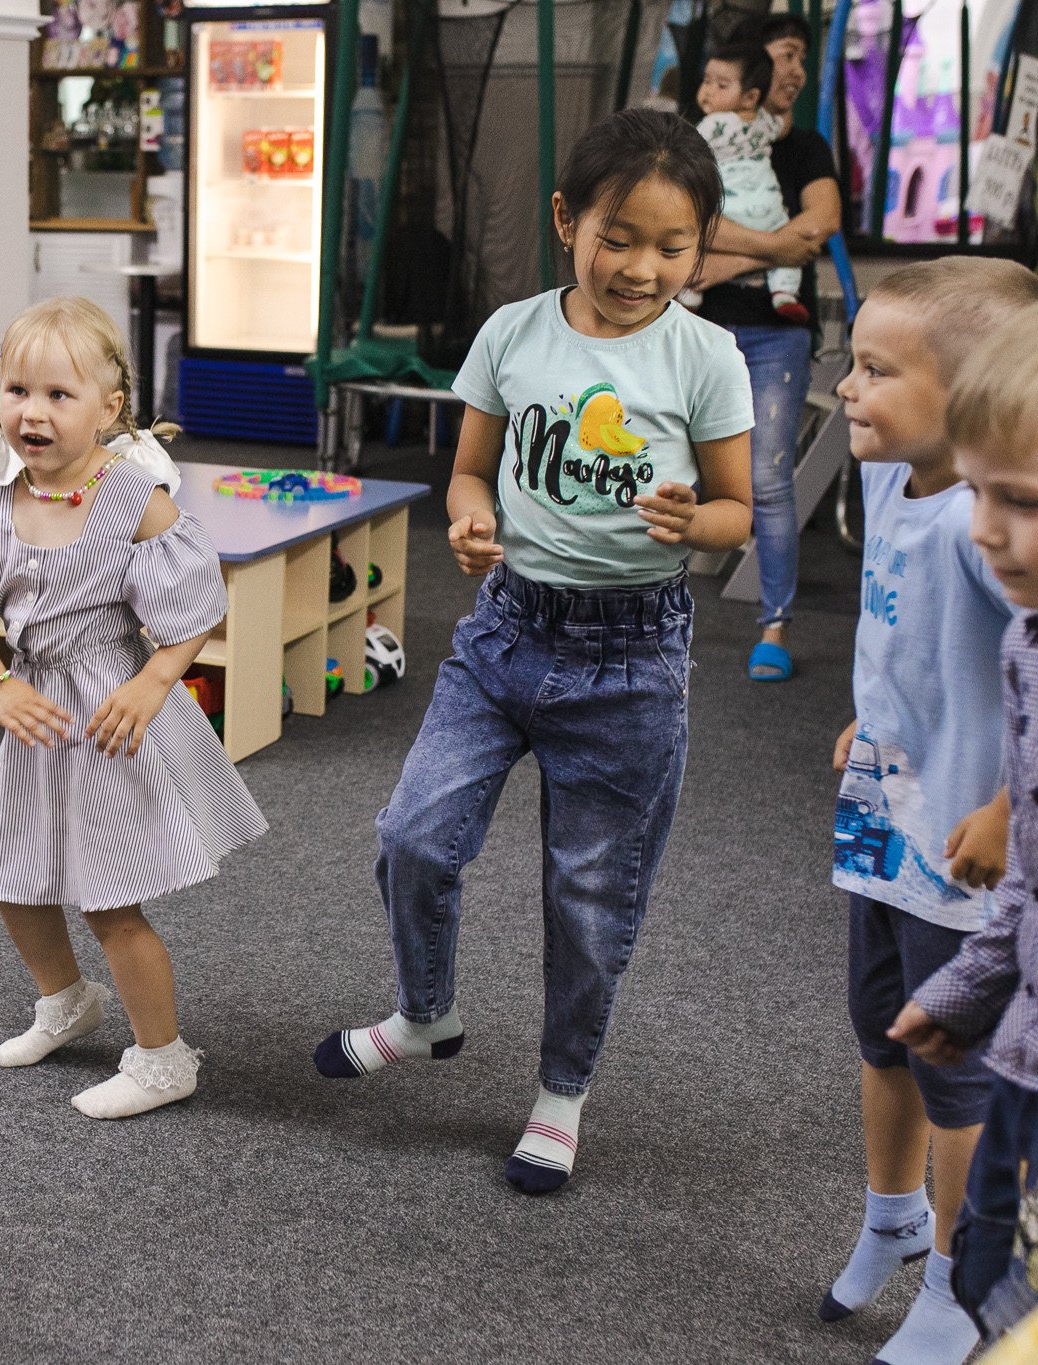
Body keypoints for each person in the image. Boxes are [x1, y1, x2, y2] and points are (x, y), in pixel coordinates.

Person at [313, 108, 754, 1194]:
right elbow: (470, 470)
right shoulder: (512, 333)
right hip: (504, 632)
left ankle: (560, 1092)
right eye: (618, 236)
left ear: (701, 248)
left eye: (670, 245)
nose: (640, 266)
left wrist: (691, 522)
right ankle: (426, 1016)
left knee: (590, 894)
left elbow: (740, 511)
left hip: (630, 657)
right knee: (413, 836)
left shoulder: (705, 355)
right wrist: (468, 519)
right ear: (567, 220)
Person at [0, 297, 267, 1120]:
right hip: (35, 712)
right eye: (17, 391)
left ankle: (163, 1059)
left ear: (109, 409)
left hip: (106, 716)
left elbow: (195, 603)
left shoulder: (131, 496)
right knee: (13, 873)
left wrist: (156, 681)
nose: (32, 412)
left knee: (108, 897)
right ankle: (65, 997)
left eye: (59, 395)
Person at [819, 259, 1038, 1365]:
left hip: (963, 845)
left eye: (872, 370)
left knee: (953, 1070)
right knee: (880, 1032)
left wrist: (1006, 803)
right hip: (881, 812)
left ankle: (962, 1279)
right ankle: (890, 1216)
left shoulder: (983, 525)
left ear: (965, 397)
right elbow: (892, 633)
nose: (845, 389)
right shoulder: (883, 479)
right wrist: (869, 717)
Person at [890, 302, 1038, 1352]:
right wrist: (974, 988)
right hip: (1020, 1064)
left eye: (1018, 501)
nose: (983, 529)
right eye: (979, 491)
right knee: (994, 1273)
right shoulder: (1026, 639)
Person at [690, 13, 843, 682]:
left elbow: (823, 223)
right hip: (704, 327)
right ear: (754, 74)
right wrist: (775, 244)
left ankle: (774, 626)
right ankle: (659, 615)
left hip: (780, 331)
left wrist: (727, 256)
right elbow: (691, 221)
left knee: (771, 478)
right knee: (680, 467)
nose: (797, 70)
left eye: (802, 58)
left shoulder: (805, 146)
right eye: (786, 55)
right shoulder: (707, 140)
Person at [686, 45, 806, 322]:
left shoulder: (710, 125)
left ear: (750, 96)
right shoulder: (763, 121)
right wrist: (784, 103)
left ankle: (690, 293)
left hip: (730, 210)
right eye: (706, 81)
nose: (708, 91)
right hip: (768, 209)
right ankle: (785, 293)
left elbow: (686, 152)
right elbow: (783, 125)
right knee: (784, 232)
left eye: (721, 85)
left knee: (694, 236)